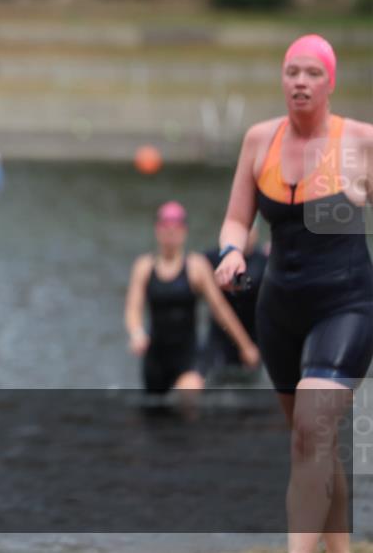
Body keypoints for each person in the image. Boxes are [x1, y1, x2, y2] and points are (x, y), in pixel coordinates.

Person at [214, 34, 373, 553]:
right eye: (292, 72)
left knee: (311, 427)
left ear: (331, 82)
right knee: (312, 441)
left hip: (346, 306)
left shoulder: (361, 142)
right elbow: (236, 219)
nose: (301, 82)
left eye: (313, 73)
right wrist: (232, 252)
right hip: (279, 311)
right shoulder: (260, 140)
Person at [125, 201, 260, 394]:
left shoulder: (196, 266)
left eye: (175, 229)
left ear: (184, 231)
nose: (170, 234)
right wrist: (136, 333)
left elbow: (220, 309)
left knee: (188, 396)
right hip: (155, 357)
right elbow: (133, 308)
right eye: (165, 228)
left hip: (188, 356)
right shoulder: (144, 267)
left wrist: (245, 346)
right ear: (157, 230)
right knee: (155, 410)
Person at [198, 222, 268, 383]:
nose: (246, 236)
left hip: (255, 338)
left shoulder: (264, 261)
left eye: (250, 230)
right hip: (220, 339)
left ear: (256, 233)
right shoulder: (210, 260)